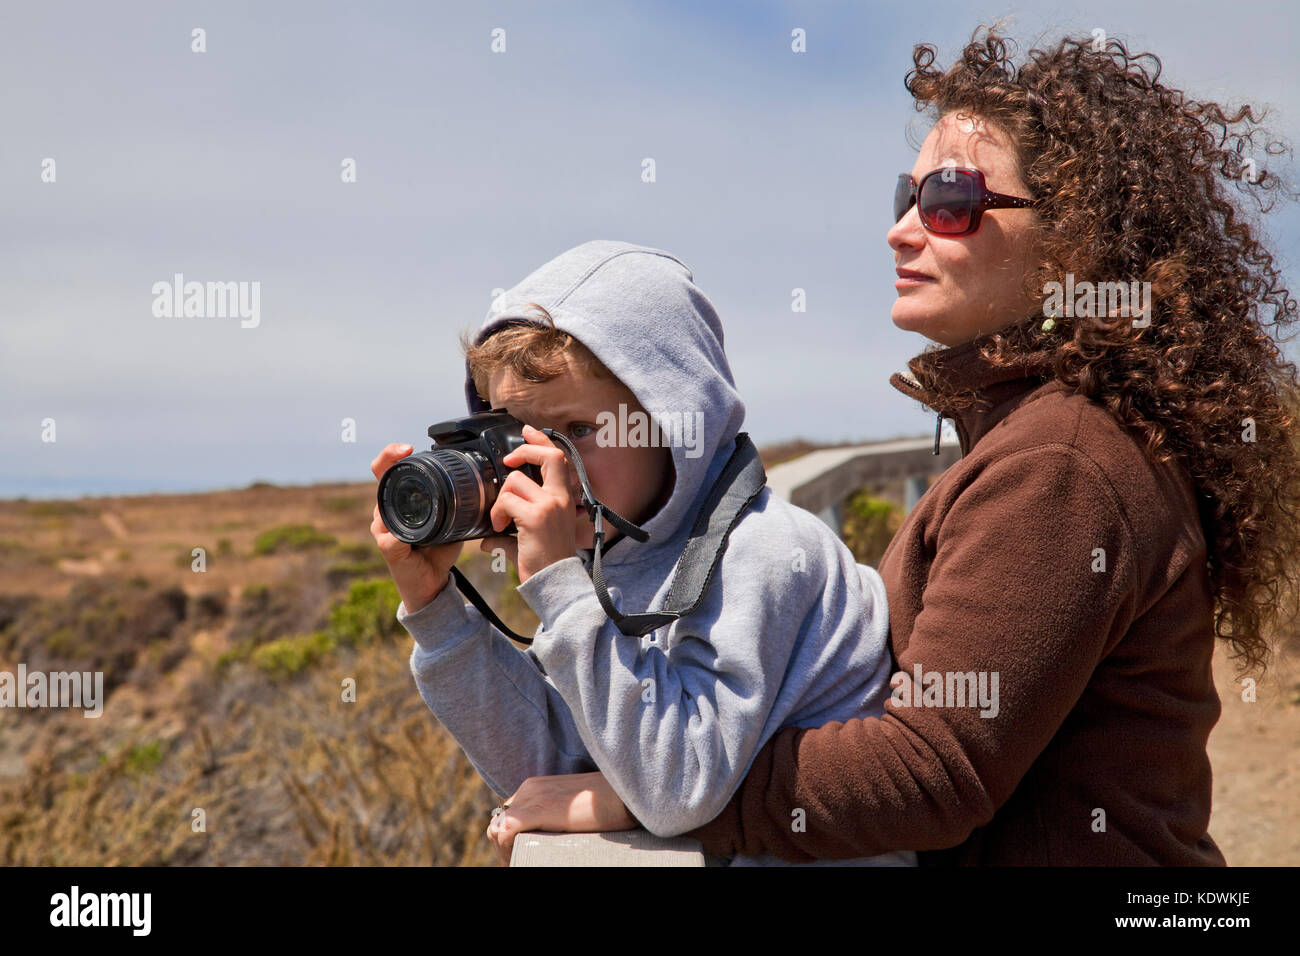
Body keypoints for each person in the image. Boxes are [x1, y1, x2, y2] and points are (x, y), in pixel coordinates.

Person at [487, 28, 1300, 865]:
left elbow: (931, 772)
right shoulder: (1039, 434)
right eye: (905, 199)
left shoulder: (1059, 463)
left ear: (1075, 244)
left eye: (951, 202)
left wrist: (673, 798)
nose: (903, 231)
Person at [370, 239, 916, 866]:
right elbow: (550, 770)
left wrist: (560, 591)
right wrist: (436, 609)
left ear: (676, 420)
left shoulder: (764, 553)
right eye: (518, 436)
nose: (548, 464)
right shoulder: (617, 553)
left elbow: (677, 788)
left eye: (576, 431)